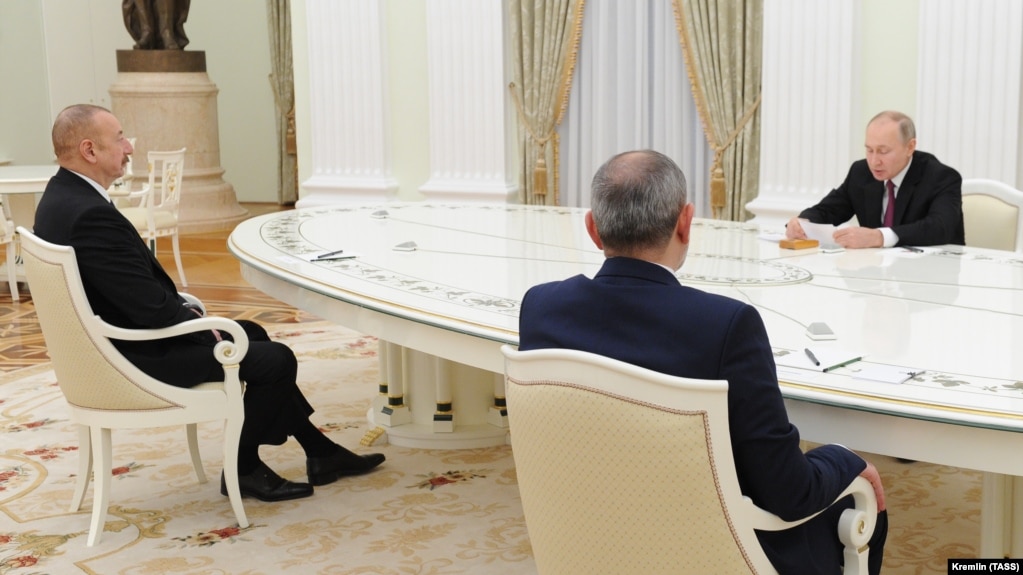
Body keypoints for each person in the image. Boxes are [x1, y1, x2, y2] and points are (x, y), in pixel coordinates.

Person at [518, 150, 888, 575]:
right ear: (685, 222)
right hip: (713, 554)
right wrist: (845, 459)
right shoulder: (726, 326)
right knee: (863, 511)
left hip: (587, 535)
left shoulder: (541, 307)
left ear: (592, 228)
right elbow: (788, 494)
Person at [33, 104, 384, 502]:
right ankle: (243, 467)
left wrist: (194, 315)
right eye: (119, 138)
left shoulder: (61, 196)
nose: (129, 147)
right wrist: (202, 323)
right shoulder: (89, 214)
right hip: (134, 356)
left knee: (252, 334)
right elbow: (149, 310)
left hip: (109, 343)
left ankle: (321, 452)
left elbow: (126, 292)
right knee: (277, 360)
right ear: (89, 150)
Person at [785, 110, 964, 249]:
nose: (874, 161)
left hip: (932, 277)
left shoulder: (941, 177)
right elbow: (830, 210)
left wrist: (879, 237)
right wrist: (802, 222)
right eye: (869, 150)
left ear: (910, 147)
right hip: (875, 275)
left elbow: (940, 228)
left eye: (883, 151)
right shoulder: (861, 172)